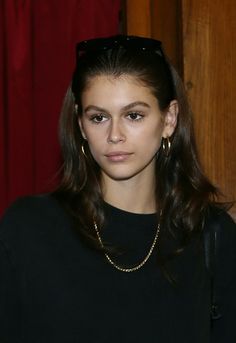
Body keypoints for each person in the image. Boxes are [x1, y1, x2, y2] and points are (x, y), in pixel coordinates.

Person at [0, 35, 235, 343]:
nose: (114, 135)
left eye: (133, 115)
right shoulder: (29, 228)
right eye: (98, 117)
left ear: (169, 119)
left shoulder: (212, 236)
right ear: (82, 127)